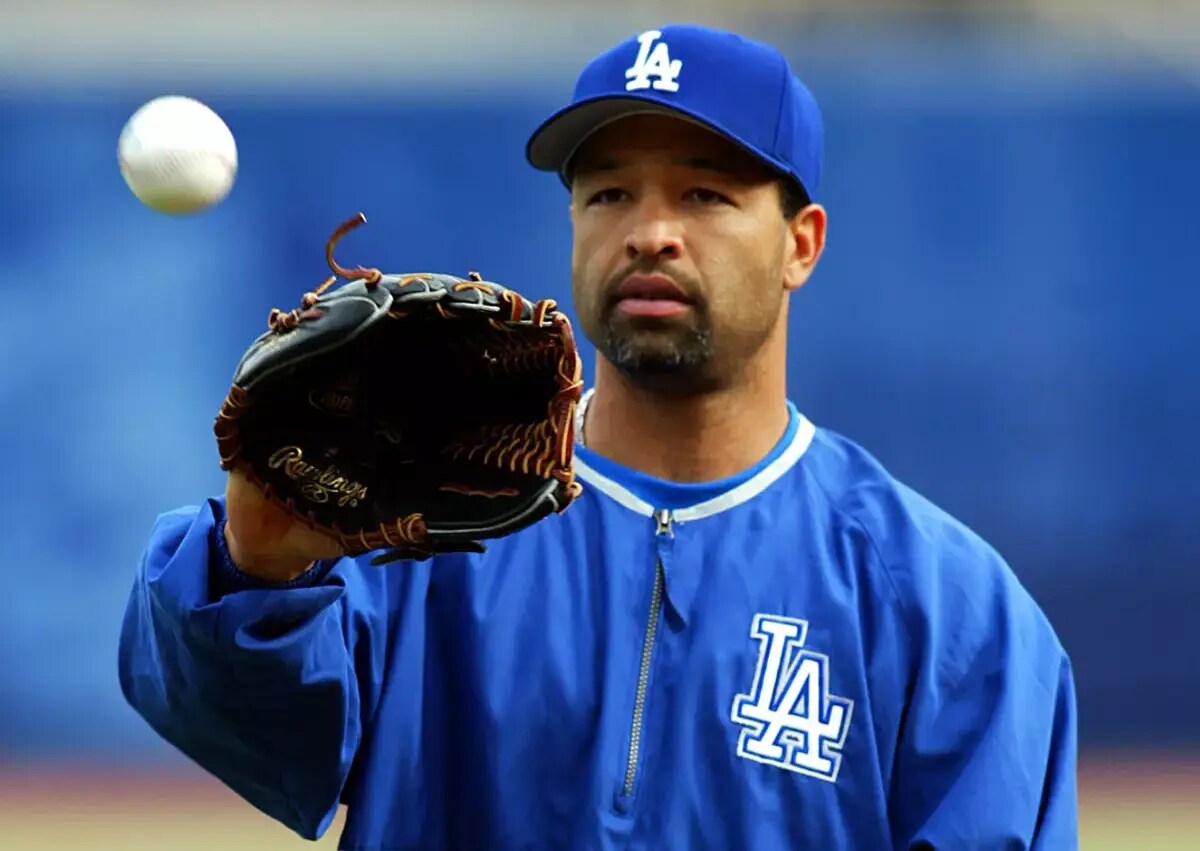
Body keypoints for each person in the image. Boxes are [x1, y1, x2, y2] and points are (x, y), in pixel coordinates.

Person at [118, 23, 1078, 850]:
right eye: (609, 194)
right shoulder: (425, 519)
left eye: (705, 194)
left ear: (801, 243)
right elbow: (242, 723)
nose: (649, 231)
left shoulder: (950, 613)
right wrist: (258, 568)